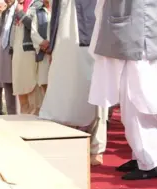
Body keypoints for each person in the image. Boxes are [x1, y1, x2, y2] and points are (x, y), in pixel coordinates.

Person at [88, 0, 157, 179]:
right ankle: (140, 156)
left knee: (137, 104)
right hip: (142, 34)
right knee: (132, 103)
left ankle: (147, 162)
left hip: (142, 38)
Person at [39, 0, 108, 166]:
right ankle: (67, 143)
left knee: (95, 93)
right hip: (63, 44)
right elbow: (55, 17)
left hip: (88, 40)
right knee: (62, 92)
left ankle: (97, 148)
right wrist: (53, 45)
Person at [11, 0, 44, 115]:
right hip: (18, 53)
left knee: (32, 91)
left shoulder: (38, 5)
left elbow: (36, 28)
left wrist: (20, 13)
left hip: (30, 52)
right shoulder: (16, 6)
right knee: (21, 91)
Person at [0, 0, 18, 114]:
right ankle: (11, 115)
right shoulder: (5, 13)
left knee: (18, 85)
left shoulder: (21, 8)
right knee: (7, 84)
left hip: (17, 51)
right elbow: (0, 34)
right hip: (4, 51)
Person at [30, 0, 51, 93]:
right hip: (44, 52)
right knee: (45, 82)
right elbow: (33, 32)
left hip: (58, 52)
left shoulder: (60, 10)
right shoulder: (38, 12)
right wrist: (43, 43)